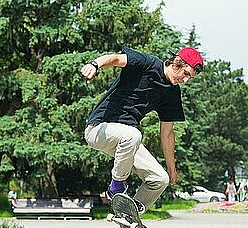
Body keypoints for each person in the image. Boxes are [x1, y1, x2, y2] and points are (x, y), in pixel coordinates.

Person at [81, 46, 204, 213]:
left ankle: (129, 212)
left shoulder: (172, 94)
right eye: (186, 74)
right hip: (98, 129)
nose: (186, 80)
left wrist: (172, 168)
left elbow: (167, 133)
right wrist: (95, 65)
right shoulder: (147, 63)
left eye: (190, 77)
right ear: (177, 63)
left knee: (160, 179)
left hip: (125, 141)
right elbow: (116, 59)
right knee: (132, 135)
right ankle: (116, 187)